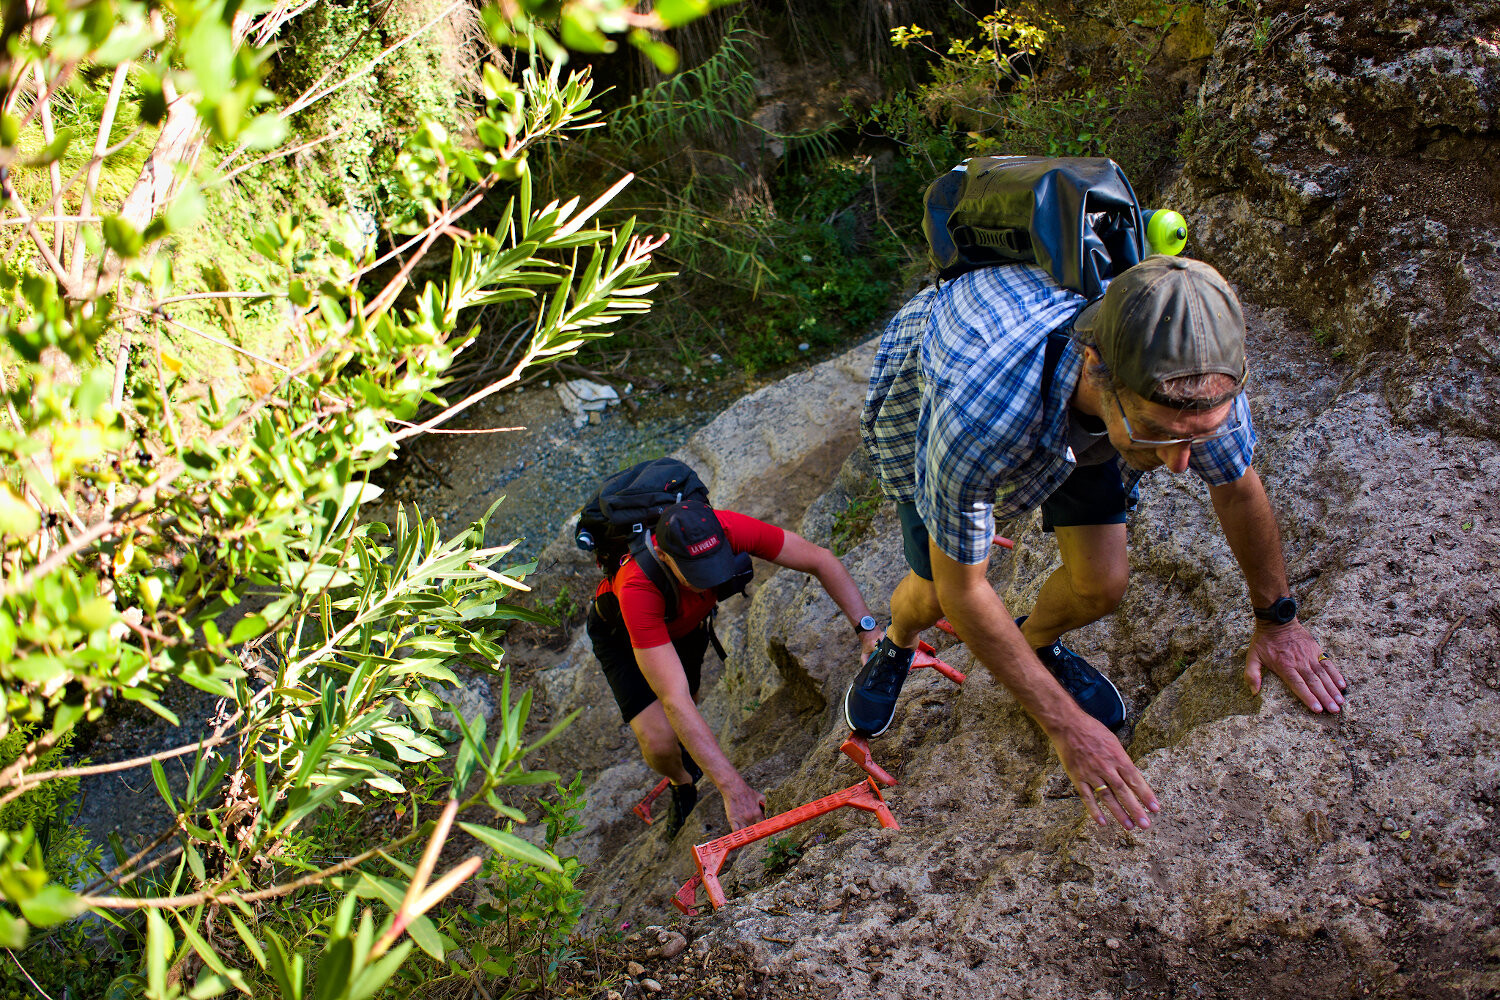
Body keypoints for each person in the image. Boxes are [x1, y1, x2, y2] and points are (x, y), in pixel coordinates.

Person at [847, 254, 1348, 832]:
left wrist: (1278, 620)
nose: (1179, 464)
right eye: (1159, 434)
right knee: (935, 589)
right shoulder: (979, 413)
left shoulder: (1192, 378)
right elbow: (965, 589)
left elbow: (1237, 489)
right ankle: (896, 643)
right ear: (1097, 367)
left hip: (1086, 415)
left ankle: (1032, 643)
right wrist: (1065, 725)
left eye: (1198, 436)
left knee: (1102, 585)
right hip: (947, 391)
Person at [588, 499, 884, 835]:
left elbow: (820, 559)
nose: (710, 579)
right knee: (659, 742)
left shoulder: (725, 527)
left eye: (715, 566)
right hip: (621, 635)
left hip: (685, 621)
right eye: (699, 573)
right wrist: (734, 790)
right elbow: (674, 699)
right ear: (666, 558)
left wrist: (868, 632)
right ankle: (682, 782)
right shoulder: (637, 585)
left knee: (691, 703)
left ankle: (693, 758)